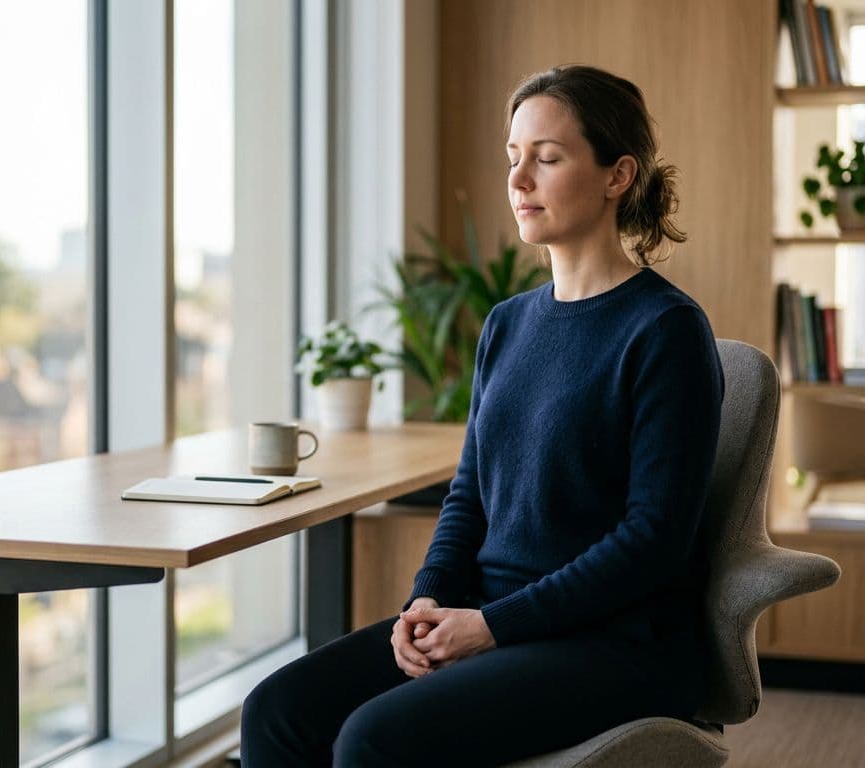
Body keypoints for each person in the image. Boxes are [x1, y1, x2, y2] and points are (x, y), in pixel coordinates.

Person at [241, 63, 725, 767]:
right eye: (513, 157)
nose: (519, 179)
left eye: (548, 158)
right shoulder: (507, 324)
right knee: (277, 711)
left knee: (373, 741)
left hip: (613, 641)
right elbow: (469, 495)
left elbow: (652, 540)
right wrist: (427, 601)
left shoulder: (665, 330)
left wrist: (491, 627)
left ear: (618, 175)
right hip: (491, 614)